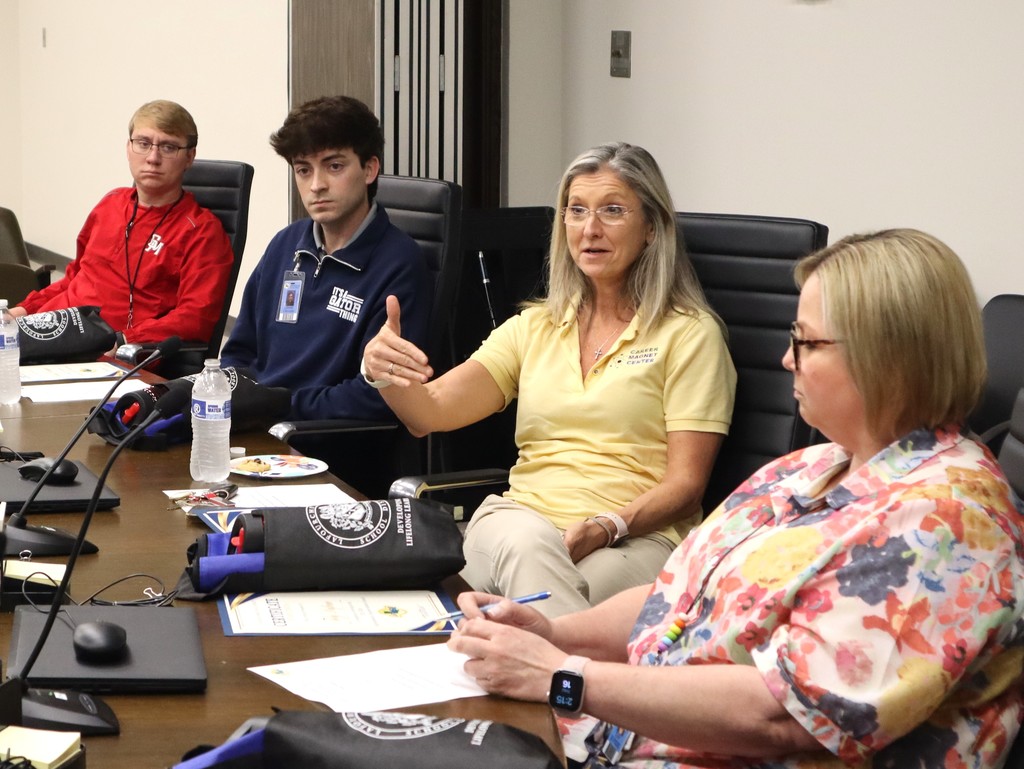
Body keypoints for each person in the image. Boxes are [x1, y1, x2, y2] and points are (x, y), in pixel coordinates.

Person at [445, 228, 1024, 768]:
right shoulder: (814, 465)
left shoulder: (949, 524)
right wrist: (552, 635)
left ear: (888, 358)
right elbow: (681, 597)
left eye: (807, 342)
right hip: (619, 736)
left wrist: (564, 677)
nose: (787, 359)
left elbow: (781, 715)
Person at [362, 142, 737, 617]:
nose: (590, 229)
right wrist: (382, 371)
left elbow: (686, 484)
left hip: (632, 541)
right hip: (516, 523)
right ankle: (565, 676)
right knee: (528, 547)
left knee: (503, 605)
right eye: (576, 211)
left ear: (652, 229)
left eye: (613, 211)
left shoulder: (690, 334)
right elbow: (428, 413)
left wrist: (606, 525)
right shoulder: (536, 326)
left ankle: (537, 670)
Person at [219, 95, 430, 423]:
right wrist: (233, 402)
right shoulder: (284, 245)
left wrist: (278, 406)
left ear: (370, 169)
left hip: (317, 444)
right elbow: (239, 352)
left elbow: (376, 396)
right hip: (253, 430)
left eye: (334, 166)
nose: (316, 185)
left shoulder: (400, 265)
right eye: (303, 170)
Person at [12, 100, 234, 348]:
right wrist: (20, 311)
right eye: (143, 143)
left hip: (105, 352)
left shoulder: (201, 231)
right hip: (50, 330)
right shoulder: (110, 204)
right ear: (128, 148)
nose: (153, 158)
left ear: (189, 157)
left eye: (168, 147)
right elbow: (75, 278)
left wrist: (125, 340)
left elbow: (195, 318)